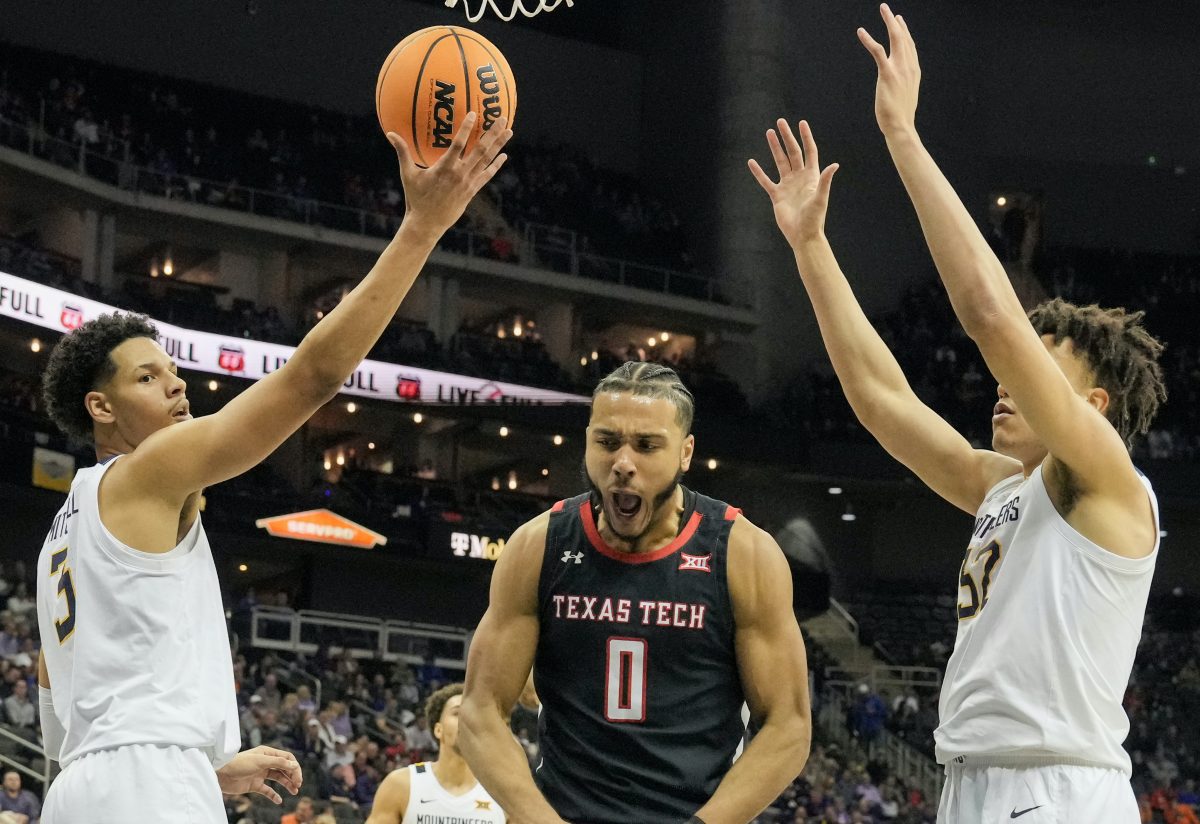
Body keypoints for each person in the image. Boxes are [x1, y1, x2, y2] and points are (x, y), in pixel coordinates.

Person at [747, 6, 1166, 822]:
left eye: (1038, 369)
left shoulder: (1108, 482)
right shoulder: (1006, 489)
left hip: (1055, 790)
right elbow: (882, 402)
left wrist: (902, 134)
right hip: (972, 781)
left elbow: (988, 314)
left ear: (1093, 405)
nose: (1004, 383)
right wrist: (811, 248)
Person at [33, 111, 512, 823]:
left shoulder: (61, 532)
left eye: (173, 371)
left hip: (84, 788)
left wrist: (199, 771)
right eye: (147, 378)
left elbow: (71, 705)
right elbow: (313, 377)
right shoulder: (148, 467)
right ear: (100, 408)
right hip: (142, 787)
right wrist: (422, 228)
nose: (177, 386)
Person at [459, 363, 811, 824]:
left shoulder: (743, 553)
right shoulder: (537, 545)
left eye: (646, 446)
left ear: (685, 453)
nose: (623, 463)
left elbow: (788, 725)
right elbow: (480, 711)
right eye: (606, 442)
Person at [367, 683, 504, 824]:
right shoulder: (401, 784)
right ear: (438, 730)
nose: (467, 719)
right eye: (457, 713)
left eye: (473, 714)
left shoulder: (505, 797)